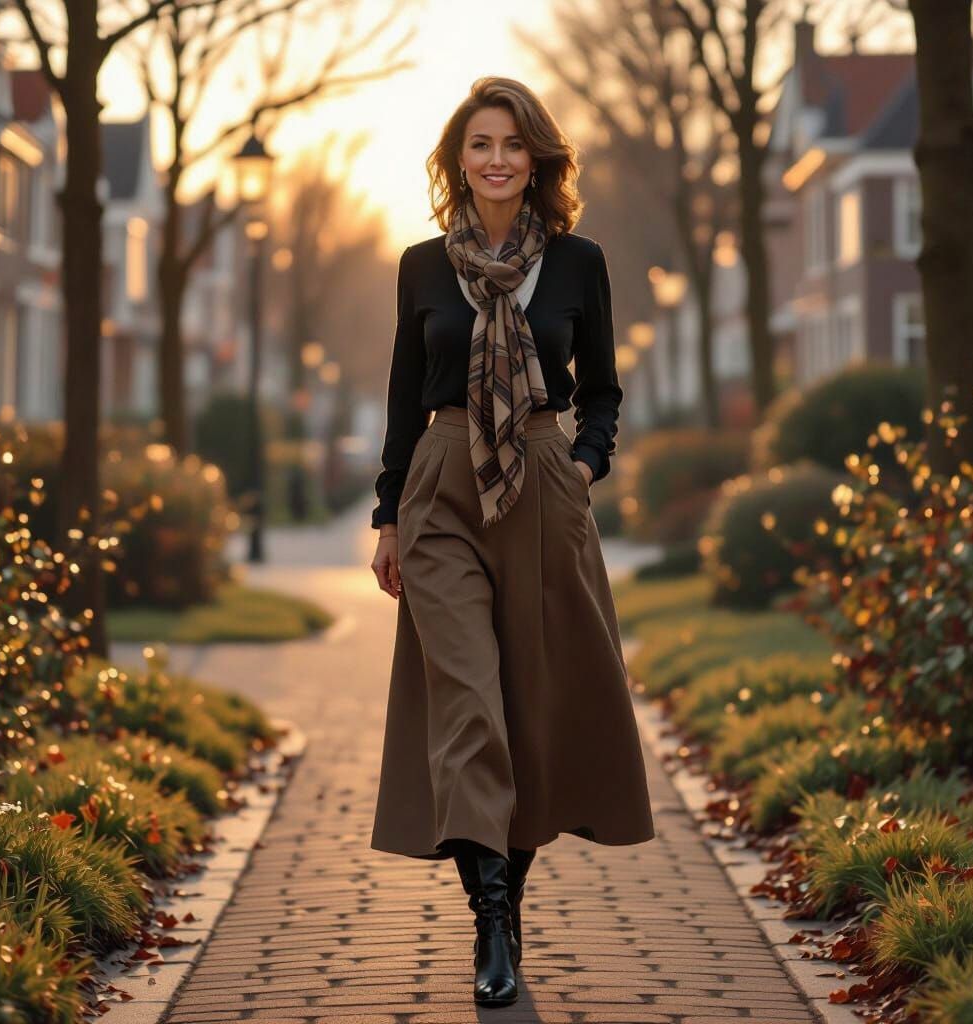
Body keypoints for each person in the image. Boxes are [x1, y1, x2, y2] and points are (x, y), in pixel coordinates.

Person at [368, 76, 655, 1008]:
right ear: (460, 160)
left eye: (512, 144)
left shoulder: (578, 264)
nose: (496, 160)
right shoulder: (420, 265)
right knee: (468, 702)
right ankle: (490, 918)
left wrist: (585, 463)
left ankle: (507, 906)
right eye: (480, 144)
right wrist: (386, 515)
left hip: (541, 478)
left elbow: (603, 387)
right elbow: (405, 394)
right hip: (444, 482)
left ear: (537, 159)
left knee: (528, 710)